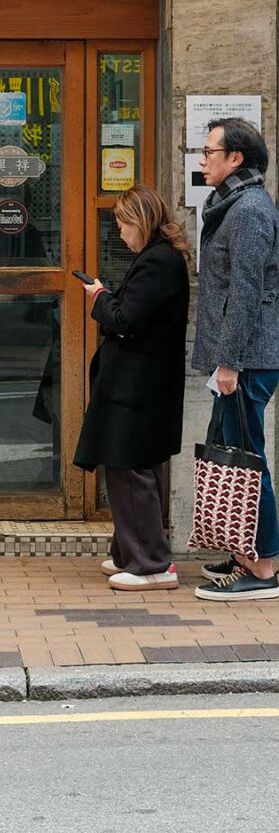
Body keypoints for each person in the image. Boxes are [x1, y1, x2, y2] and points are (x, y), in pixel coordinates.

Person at [73, 185, 190, 591]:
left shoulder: (156, 263)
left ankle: (151, 563)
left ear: (141, 222)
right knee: (132, 463)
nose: (120, 233)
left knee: (129, 464)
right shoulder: (158, 259)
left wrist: (99, 296)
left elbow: (125, 321)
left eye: (123, 224)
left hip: (138, 384)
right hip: (142, 383)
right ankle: (130, 552)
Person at [191, 118, 279, 602]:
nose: (202, 160)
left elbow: (247, 292)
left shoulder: (249, 211)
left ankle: (264, 567)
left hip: (249, 356)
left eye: (209, 152)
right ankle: (242, 549)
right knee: (231, 450)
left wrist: (230, 362)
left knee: (247, 460)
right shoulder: (233, 204)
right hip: (242, 354)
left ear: (235, 158)